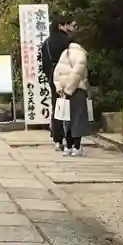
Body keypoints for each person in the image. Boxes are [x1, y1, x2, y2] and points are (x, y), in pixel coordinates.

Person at [52, 29, 91, 157]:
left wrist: (60, 89)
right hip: (77, 91)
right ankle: (77, 147)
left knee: (67, 120)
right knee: (77, 120)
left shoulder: (65, 53)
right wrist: (70, 89)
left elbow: (56, 73)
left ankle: (68, 147)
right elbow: (77, 73)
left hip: (64, 92)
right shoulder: (81, 54)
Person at [40, 17, 75, 148]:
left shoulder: (47, 43)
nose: (70, 28)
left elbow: (44, 63)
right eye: (68, 25)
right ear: (61, 26)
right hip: (68, 76)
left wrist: (50, 74)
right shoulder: (68, 42)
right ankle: (71, 139)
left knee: (57, 106)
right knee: (71, 106)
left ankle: (57, 139)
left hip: (53, 76)